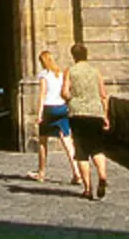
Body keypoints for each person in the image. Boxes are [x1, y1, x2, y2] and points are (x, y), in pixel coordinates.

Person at [62, 43, 110, 200]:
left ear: (73, 56)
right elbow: (103, 95)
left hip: (77, 113)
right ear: (86, 54)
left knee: (81, 152)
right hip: (96, 112)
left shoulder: (70, 71)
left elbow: (64, 92)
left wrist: (72, 98)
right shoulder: (95, 71)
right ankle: (102, 176)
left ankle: (88, 189)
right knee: (97, 148)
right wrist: (106, 115)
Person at [27, 50, 81, 184]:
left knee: (42, 141)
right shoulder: (60, 74)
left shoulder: (44, 75)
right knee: (67, 141)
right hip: (62, 108)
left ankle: (41, 172)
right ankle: (77, 173)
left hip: (49, 109)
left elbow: (43, 94)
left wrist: (39, 114)